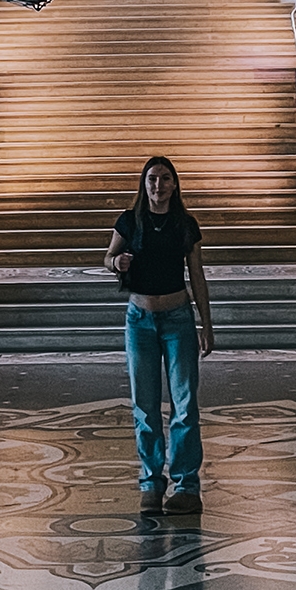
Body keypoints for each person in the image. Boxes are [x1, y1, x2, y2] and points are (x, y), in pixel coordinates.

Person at [105, 155, 215, 515]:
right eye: (152, 179)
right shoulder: (130, 220)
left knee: (185, 405)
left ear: (175, 184)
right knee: (145, 407)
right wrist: (116, 263)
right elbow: (108, 257)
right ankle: (151, 483)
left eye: (165, 179)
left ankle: (186, 485)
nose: (158, 185)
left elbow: (197, 275)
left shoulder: (185, 224)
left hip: (178, 319)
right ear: (144, 183)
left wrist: (206, 323)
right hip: (139, 320)